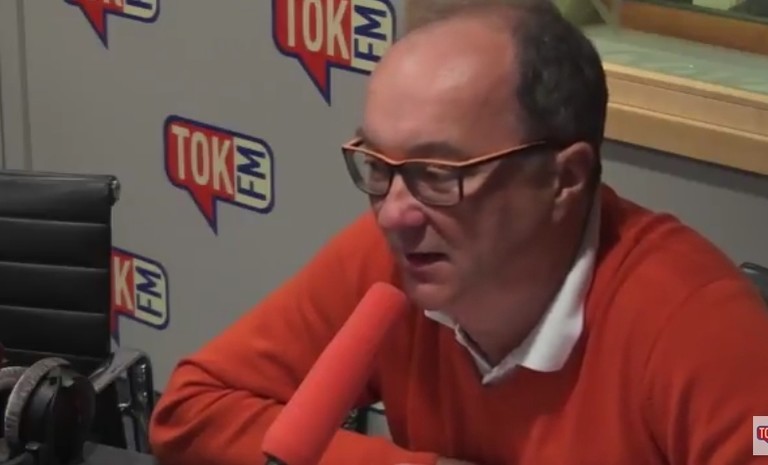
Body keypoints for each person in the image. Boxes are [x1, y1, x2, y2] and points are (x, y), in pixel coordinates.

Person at [148, 1, 768, 464]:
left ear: (564, 179)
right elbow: (192, 411)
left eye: (440, 174)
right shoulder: (390, 260)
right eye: (378, 166)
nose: (394, 214)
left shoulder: (698, 326)